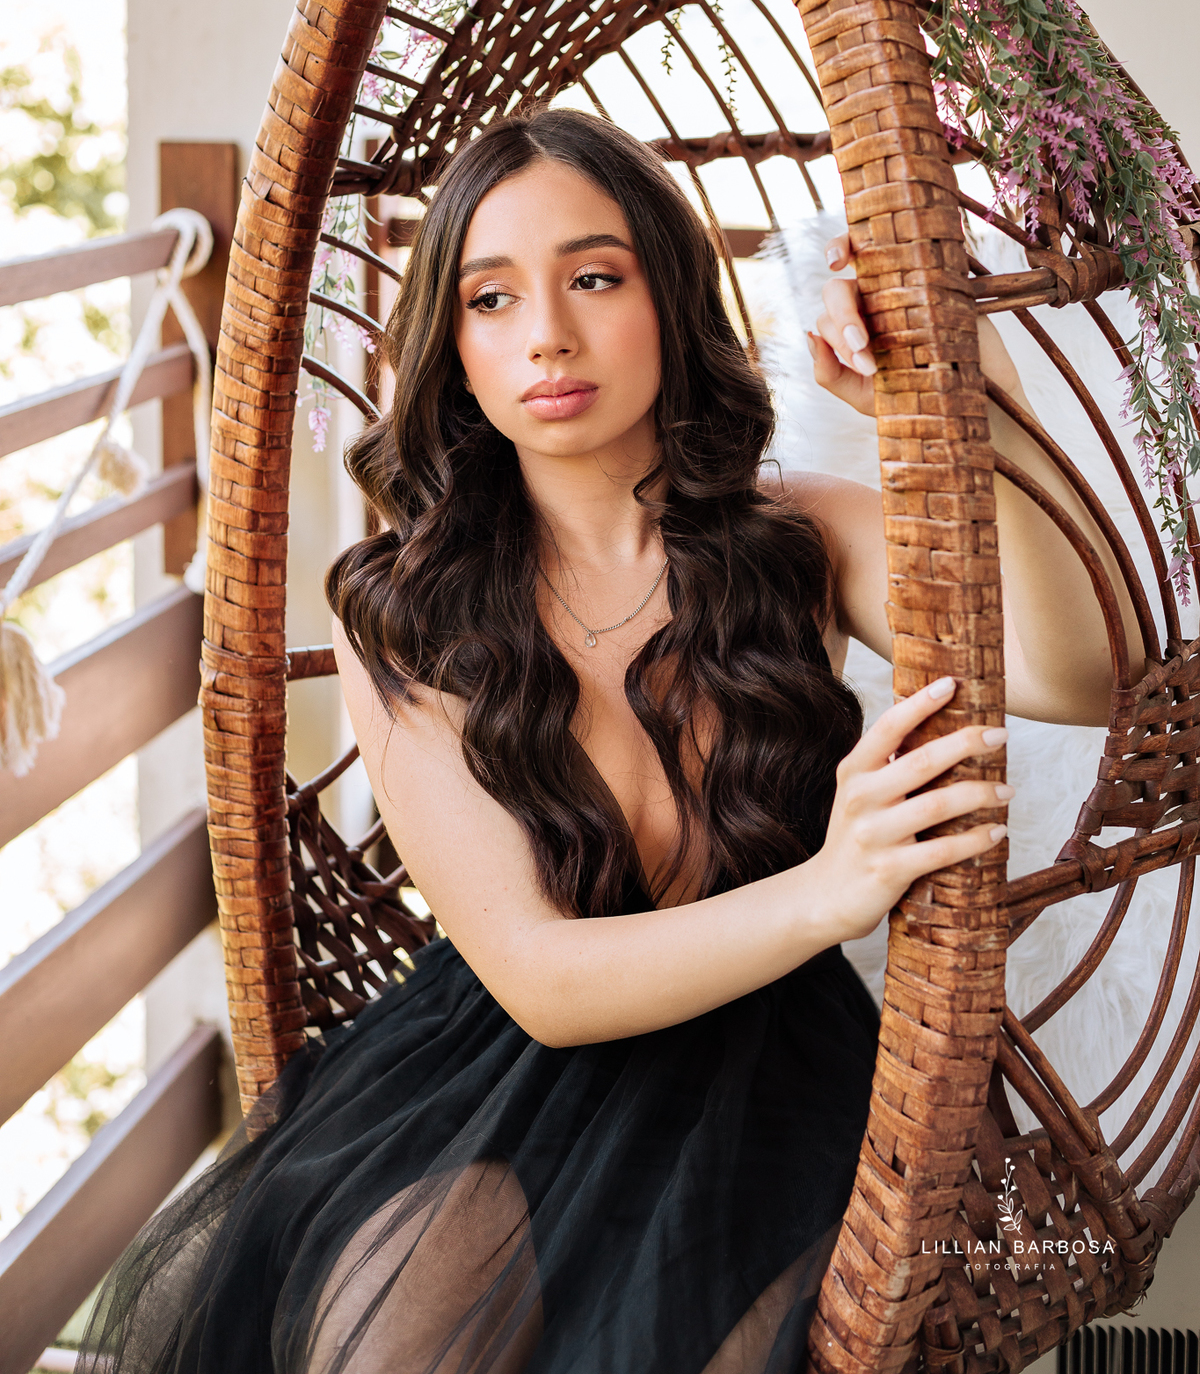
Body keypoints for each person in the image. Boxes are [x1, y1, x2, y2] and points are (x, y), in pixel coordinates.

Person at [82, 108, 1138, 1374]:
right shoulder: (400, 606)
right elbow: (539, 977)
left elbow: (1086, 675)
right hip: (500, 1061)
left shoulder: (797, 539)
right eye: (491, 297)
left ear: (671, 297)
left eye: (595, 277)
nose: (548, 336)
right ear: (453, 345)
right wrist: (832, 888)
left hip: (775, 1068)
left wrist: (978, 393)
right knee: (392, 1338)